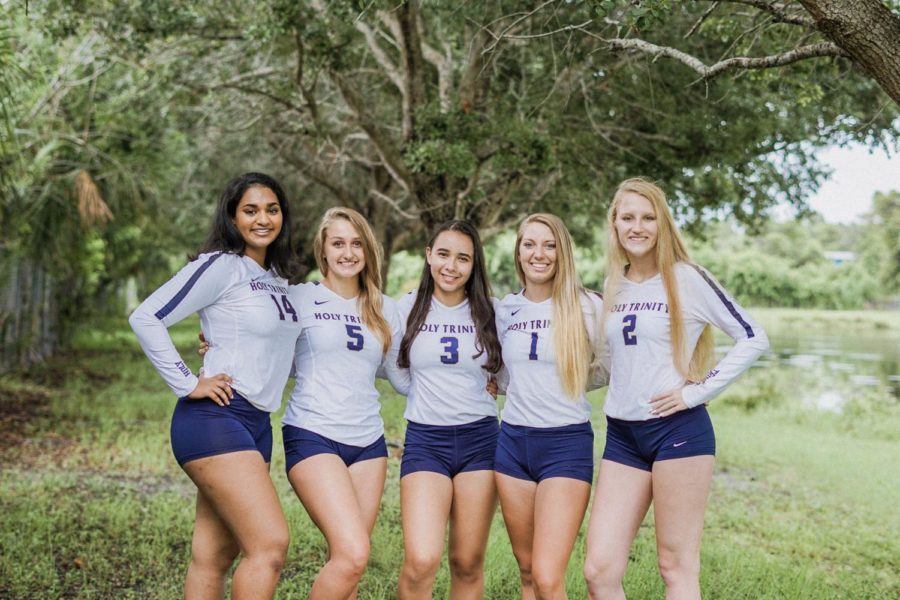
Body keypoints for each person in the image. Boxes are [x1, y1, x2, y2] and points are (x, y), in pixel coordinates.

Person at [582, 178, 769, 600]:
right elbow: (613, 366)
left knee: (675, 565)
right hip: (622, 436)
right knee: (599, 571)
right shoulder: (615, 284)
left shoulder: (687, 278)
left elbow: (754, 337)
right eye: (627, 217)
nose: (638, 226)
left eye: (648, 217)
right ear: (614, 224)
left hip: (678, 432)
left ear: (662, 224)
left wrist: (694, 392)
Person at [129, 172, 299, 600]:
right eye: (251, 210)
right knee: (269, 545)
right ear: (231, 216)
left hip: (256, 423)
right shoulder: (221, 265)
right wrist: (188, 382)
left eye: (272, 209)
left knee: (213, 557)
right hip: (215, 418)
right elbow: (146, 317)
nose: (263, 219)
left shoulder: (279, 278)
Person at [280, 207, 400, 599]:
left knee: (348, 564)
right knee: (353, 553)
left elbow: (400, 375)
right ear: (323, 250)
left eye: (356, 243)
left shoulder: (384, 307)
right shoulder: (299, 299)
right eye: (338, 243)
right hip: (313, 433)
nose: (348, 252)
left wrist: (470, 383)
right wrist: (212, 347)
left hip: (368, 442)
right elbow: (264, 350)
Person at [387, 220, 503, 599]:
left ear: (474, 265)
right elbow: (389, 366)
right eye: (443, 254)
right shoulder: (404, 309)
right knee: (421, 560)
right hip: (426, 442)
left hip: (481, 442)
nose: (451, 266)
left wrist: (497, 385)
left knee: (468, 561)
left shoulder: (492, 312)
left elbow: (516, 367)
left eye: (463, 258)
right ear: (428, 256)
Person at [493, 213, 605, 600]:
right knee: (526, 572)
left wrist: (571, 380)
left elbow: (611, 365)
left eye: (549, 245)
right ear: (518, 251)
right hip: (511, 445)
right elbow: (505, 374)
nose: (539, 254)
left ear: (563, 252)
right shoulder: (505, 310)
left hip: (565, 445)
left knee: (546, 575)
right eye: (529, 244)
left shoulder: (588, 306)